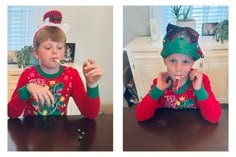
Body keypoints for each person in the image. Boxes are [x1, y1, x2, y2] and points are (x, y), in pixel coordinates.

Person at [8, 11, 103, 119]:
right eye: (48, 47)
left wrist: (92, 84)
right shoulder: (28, 75)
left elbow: (90, 114)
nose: (55, 51)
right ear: (36, 53)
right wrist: (27, 89)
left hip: (59, 133)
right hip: (31, 133)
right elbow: (11, 113)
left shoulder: (72, 75)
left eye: (59, 47)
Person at [135, 23, 221, 124]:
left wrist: (200, 90)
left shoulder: (201, 81)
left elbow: (214, 117)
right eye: (172, 61)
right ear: (164, 61)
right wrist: (157, 90)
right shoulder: (160, 83)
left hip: (193, 132)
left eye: (185, 62)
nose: (178, 68)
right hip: (167, 131)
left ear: (192, 62)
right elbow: (140, 115)